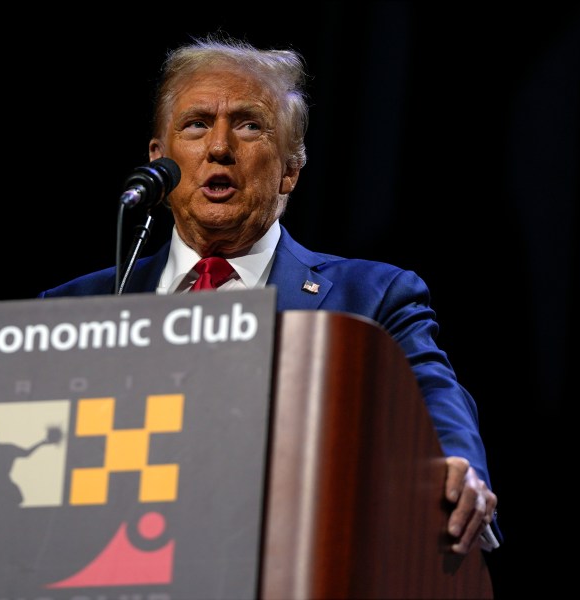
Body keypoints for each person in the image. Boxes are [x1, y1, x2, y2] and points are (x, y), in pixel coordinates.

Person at [37, 34, 499, 555]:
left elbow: (433, 393)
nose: (218, 148)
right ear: (160, 159)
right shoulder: (73, 308)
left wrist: (460, 465)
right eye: (195, 125)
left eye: (249, 125)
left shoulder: (369, 297)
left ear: (290, 169)